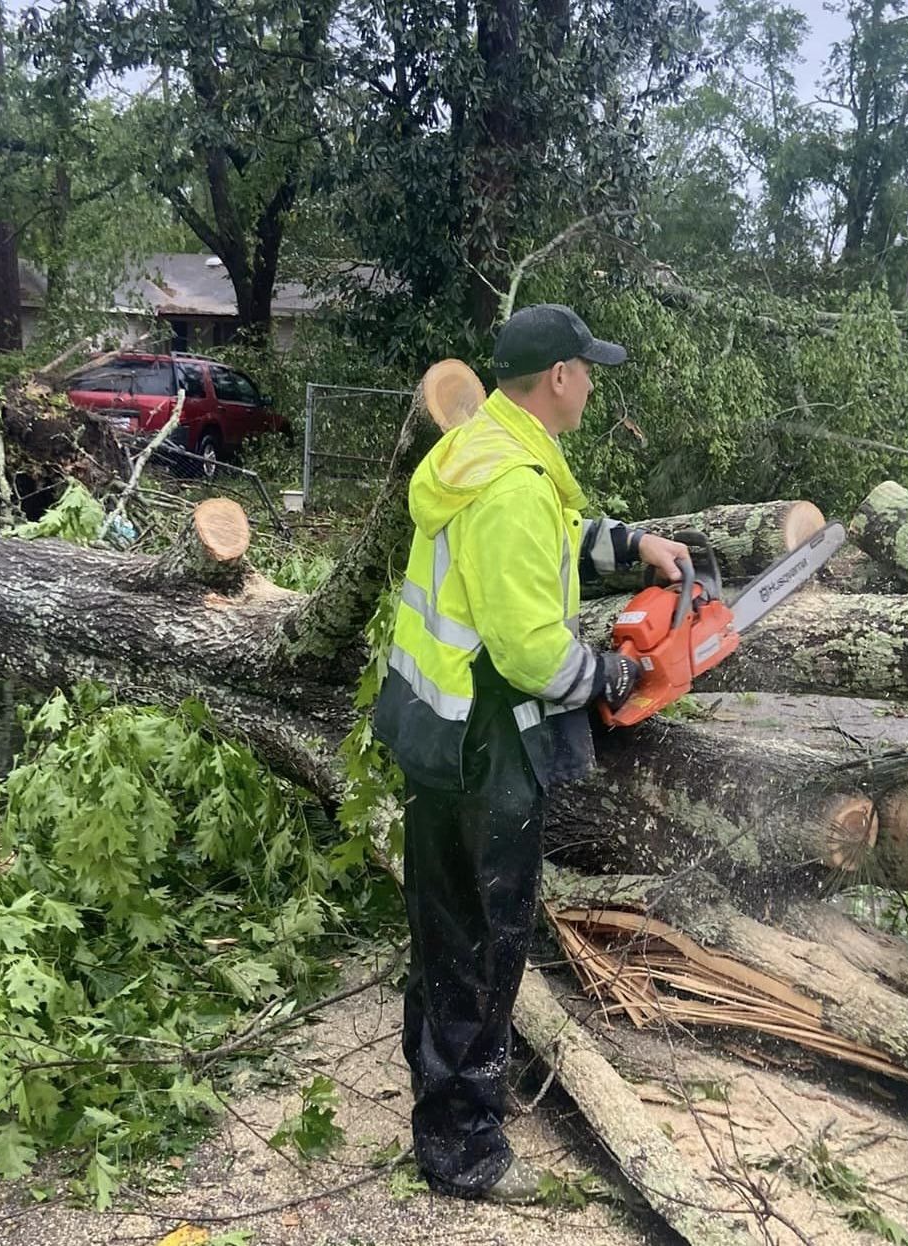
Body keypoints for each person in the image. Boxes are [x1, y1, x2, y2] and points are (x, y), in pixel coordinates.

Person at [374, 304, 690, 1202]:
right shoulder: (511, 482)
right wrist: (610, 678)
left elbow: (546, 540)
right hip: (482, 740)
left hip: (436, 721)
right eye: (586, 369)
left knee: (444, 929)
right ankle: (462, 1151)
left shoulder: (487, 449)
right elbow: (530, 652)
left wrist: (632, 544)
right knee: (481, 940)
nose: (591, 382)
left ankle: (442, 1096)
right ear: (558, 377)